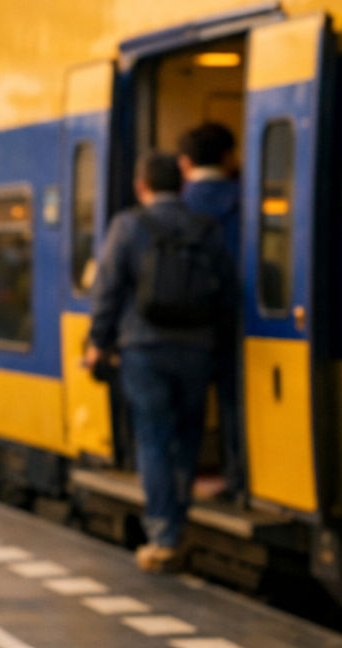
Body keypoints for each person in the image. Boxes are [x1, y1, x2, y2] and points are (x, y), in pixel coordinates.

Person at [83, 151, 235, 573]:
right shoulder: (206, 228)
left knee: (152, 437)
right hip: (196, 350)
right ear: (182, 184)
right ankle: (178, 518)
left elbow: (108, 289)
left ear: (141, 185)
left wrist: (98, 342)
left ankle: (164, 534)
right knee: (187, 436)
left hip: (144, 349)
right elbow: (226, 291)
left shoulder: (128, 226)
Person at [178, 122, 244, 502]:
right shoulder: (244, 197)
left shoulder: (179, 203)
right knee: (234, 402)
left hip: (188, 324)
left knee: (190, 407)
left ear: (185, 163)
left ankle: (183, 483)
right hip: (235, 317)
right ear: (227, 157)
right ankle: (237, 476)